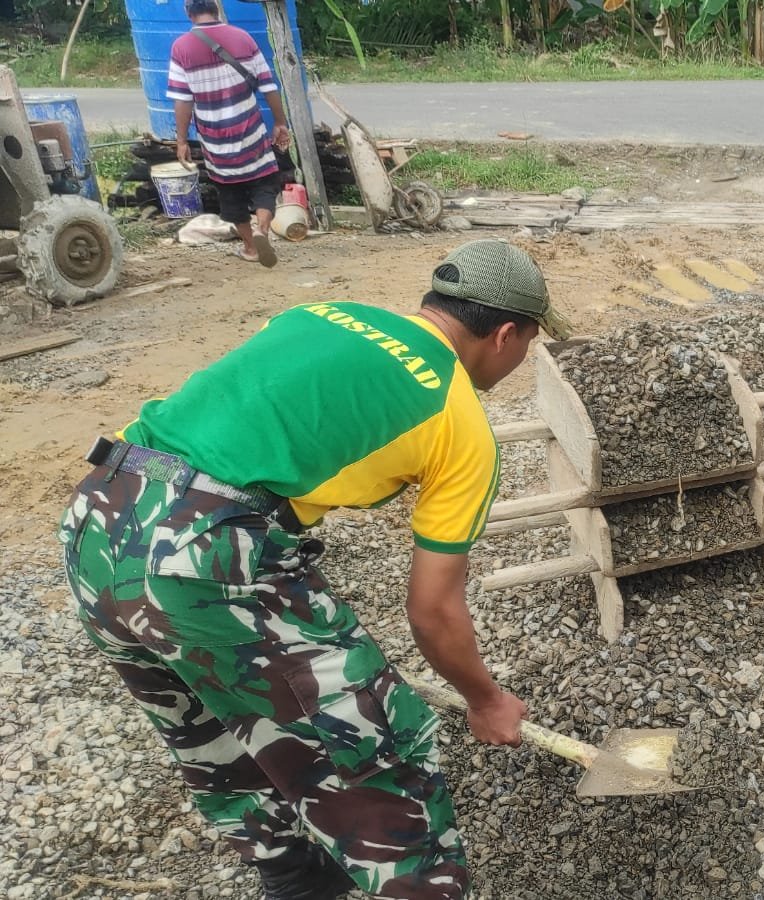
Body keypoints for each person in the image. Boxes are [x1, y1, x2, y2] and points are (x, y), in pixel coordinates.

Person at [59, 240, 572, 900]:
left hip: (102, 512)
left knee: (217, 731)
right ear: (506, 334)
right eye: (528, 342)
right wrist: (485, 699)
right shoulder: (459, 419)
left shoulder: (322, 314)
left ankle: (300, 882)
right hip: (203, 557)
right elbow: (435, 610)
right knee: (380, 754)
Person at [168, 0, 292, 267]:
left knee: (230, 194)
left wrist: (181, 140)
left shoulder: (181, 48)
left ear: (188, 12)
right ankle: (262, 229)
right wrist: (280, 122)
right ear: (215, 8)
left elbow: (182, 100)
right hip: (251, 133)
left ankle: (250, 247)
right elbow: (269, 85)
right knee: (265, 184)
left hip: (215, 142)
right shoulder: (242, 38)